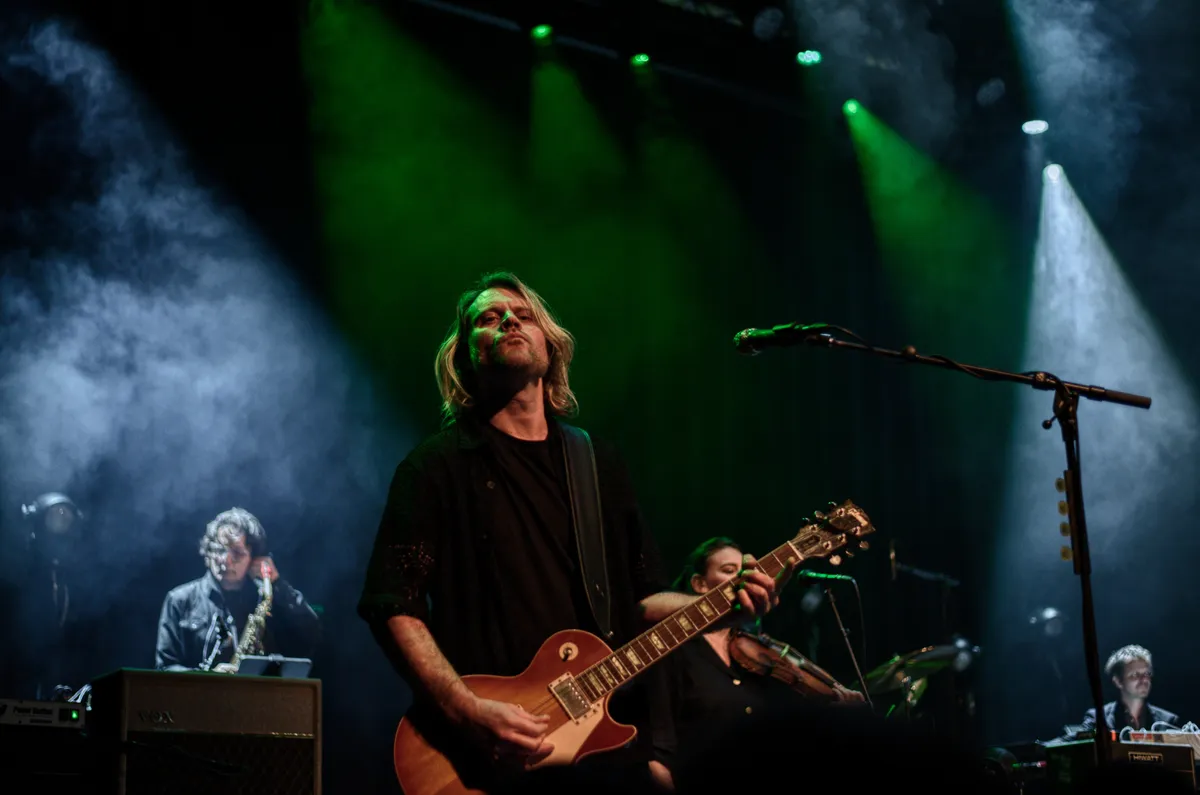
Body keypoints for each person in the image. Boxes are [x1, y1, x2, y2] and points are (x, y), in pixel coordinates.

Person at [357, 272, 790, 792]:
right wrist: (465, 709)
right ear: (465, 356)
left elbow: (642, 598)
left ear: (550, 345)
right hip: (485, 755)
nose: (509, 320)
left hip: (601, 749)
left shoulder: (596, 463)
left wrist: (722, 607)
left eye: (524, 315)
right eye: (489, 318)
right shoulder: (435, 468)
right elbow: (393, 604)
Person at [652, 537, 863, 788]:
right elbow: (657, 754)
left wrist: (835, 707)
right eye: (729, 571)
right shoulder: (674, 652)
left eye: (744, 571)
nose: (742, 579)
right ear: (699, 584)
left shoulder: (757, 653)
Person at [155, 507, 321, 672]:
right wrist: (209, 677)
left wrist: (277, 583)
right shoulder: (179, 600)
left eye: (237, 553)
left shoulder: (264, 597)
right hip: (199, 690)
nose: (225, 560)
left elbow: (311, 632)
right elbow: (165, 667)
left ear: (254, 558)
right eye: (219, 550)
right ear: (207, 553)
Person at [1079, 645, 1182, 733]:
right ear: (1118, 681)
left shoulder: (1168, 721)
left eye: (1147, 674)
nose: (1144, 680)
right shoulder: (1097, 719)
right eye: (1135, 675)